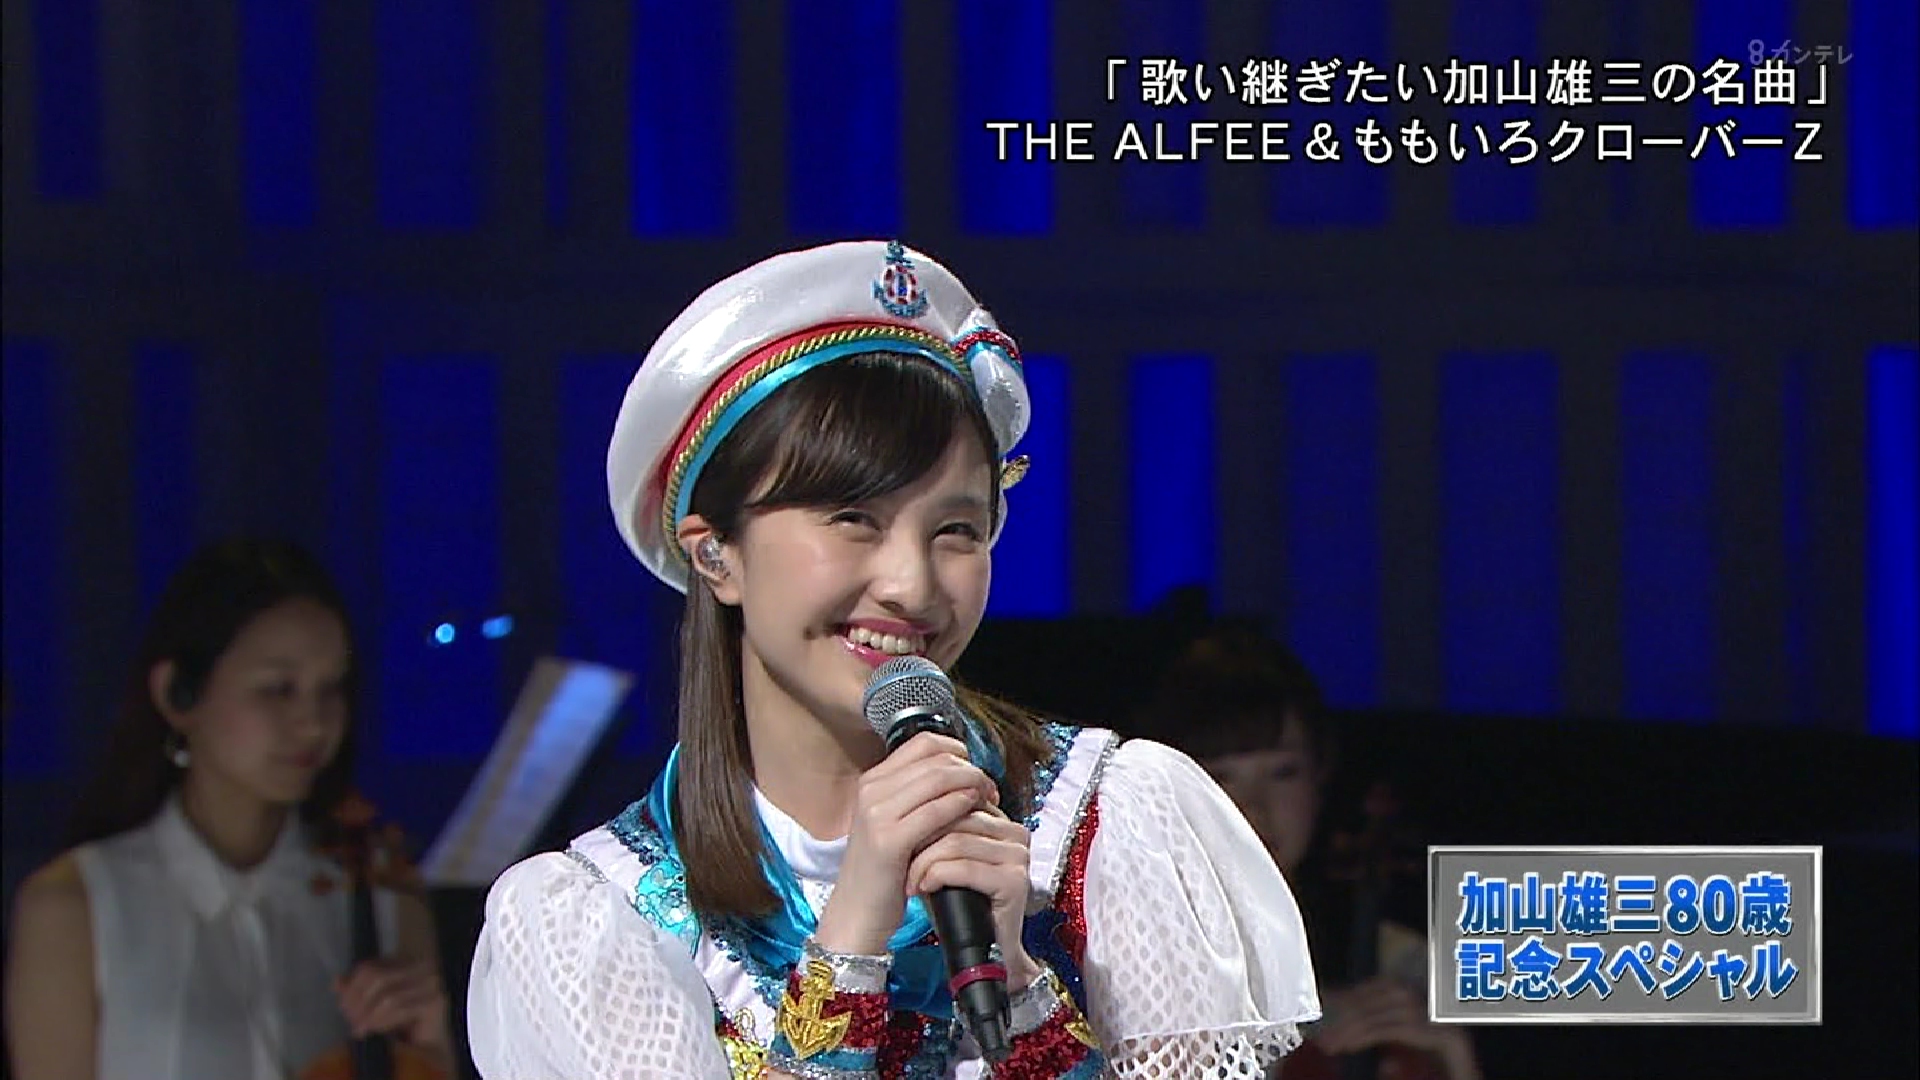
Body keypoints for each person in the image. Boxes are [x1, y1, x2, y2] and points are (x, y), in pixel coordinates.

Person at [465, 240, 1322, 1078]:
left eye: (957, 530)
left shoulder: (1111, 822)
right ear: (715, 553)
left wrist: (1023, 995)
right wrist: (852, 940)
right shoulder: (599, 917)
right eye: (854, 519)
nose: (912, 586)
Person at [4, 538, 454, 1080]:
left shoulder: (383, 893)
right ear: (178, 694)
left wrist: (432, 1049)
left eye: (331, 687)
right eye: (278, 689)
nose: (314, 723)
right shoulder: (72, 906)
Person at [1142, 626, 1483, 1080]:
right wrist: (1308, 1023)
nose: (1254, 809)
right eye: (1220, 777)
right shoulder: (1120, 951)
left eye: (1284, 773)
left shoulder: (1393, 959)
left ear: (1319, 778)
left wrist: (1453, 1051)